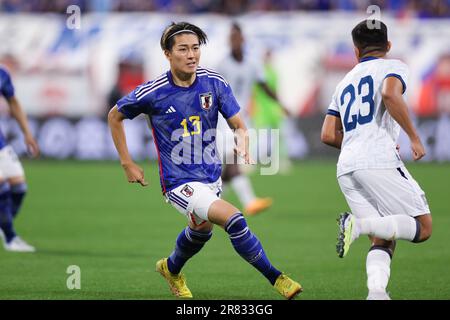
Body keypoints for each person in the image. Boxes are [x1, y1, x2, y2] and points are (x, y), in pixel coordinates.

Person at [108, 21, 302, 299]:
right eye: (183, 49)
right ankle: (277, 279)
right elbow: (115, 116)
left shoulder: (215, 82)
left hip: (211, 177)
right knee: (234, 219)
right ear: (167, 54)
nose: (191, 55)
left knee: (201, 231)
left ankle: (171, 269)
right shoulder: (154, 92)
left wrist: (242, 140)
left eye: (195, 48)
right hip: (178, 182)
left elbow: (238, 123)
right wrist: (127, 162)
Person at [321, 20, 432, 300]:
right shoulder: (394, 66)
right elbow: (389, 93)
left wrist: (355, 143)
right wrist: (414, 138)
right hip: (377, 158)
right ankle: (357, 225)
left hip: (346, 166)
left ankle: (377, 293)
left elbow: (327, 134)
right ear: (389, 46)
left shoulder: (344, 81)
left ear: (356, 51)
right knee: (423, 228)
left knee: (383, 238)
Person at [215, 23, 288, 216]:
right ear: (229, 41)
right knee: (232, 159)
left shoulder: (253, 64)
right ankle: (250, 201)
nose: (235, 42)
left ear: (243, 40)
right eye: (232, 39)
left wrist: (281, 104)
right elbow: (213, 92)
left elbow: (264, 87)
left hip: (243, 119)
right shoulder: (222, 65)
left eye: (238, 38)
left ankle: (212, 203)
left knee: (230, 167)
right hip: (223, 120)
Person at [0, 64, 39, 252]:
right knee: (2, 189)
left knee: (19, 188)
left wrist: (27, 133)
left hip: (0, 143)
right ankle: (10, 238)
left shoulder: (2, 73)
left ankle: (4, 225)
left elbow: (13, 102)